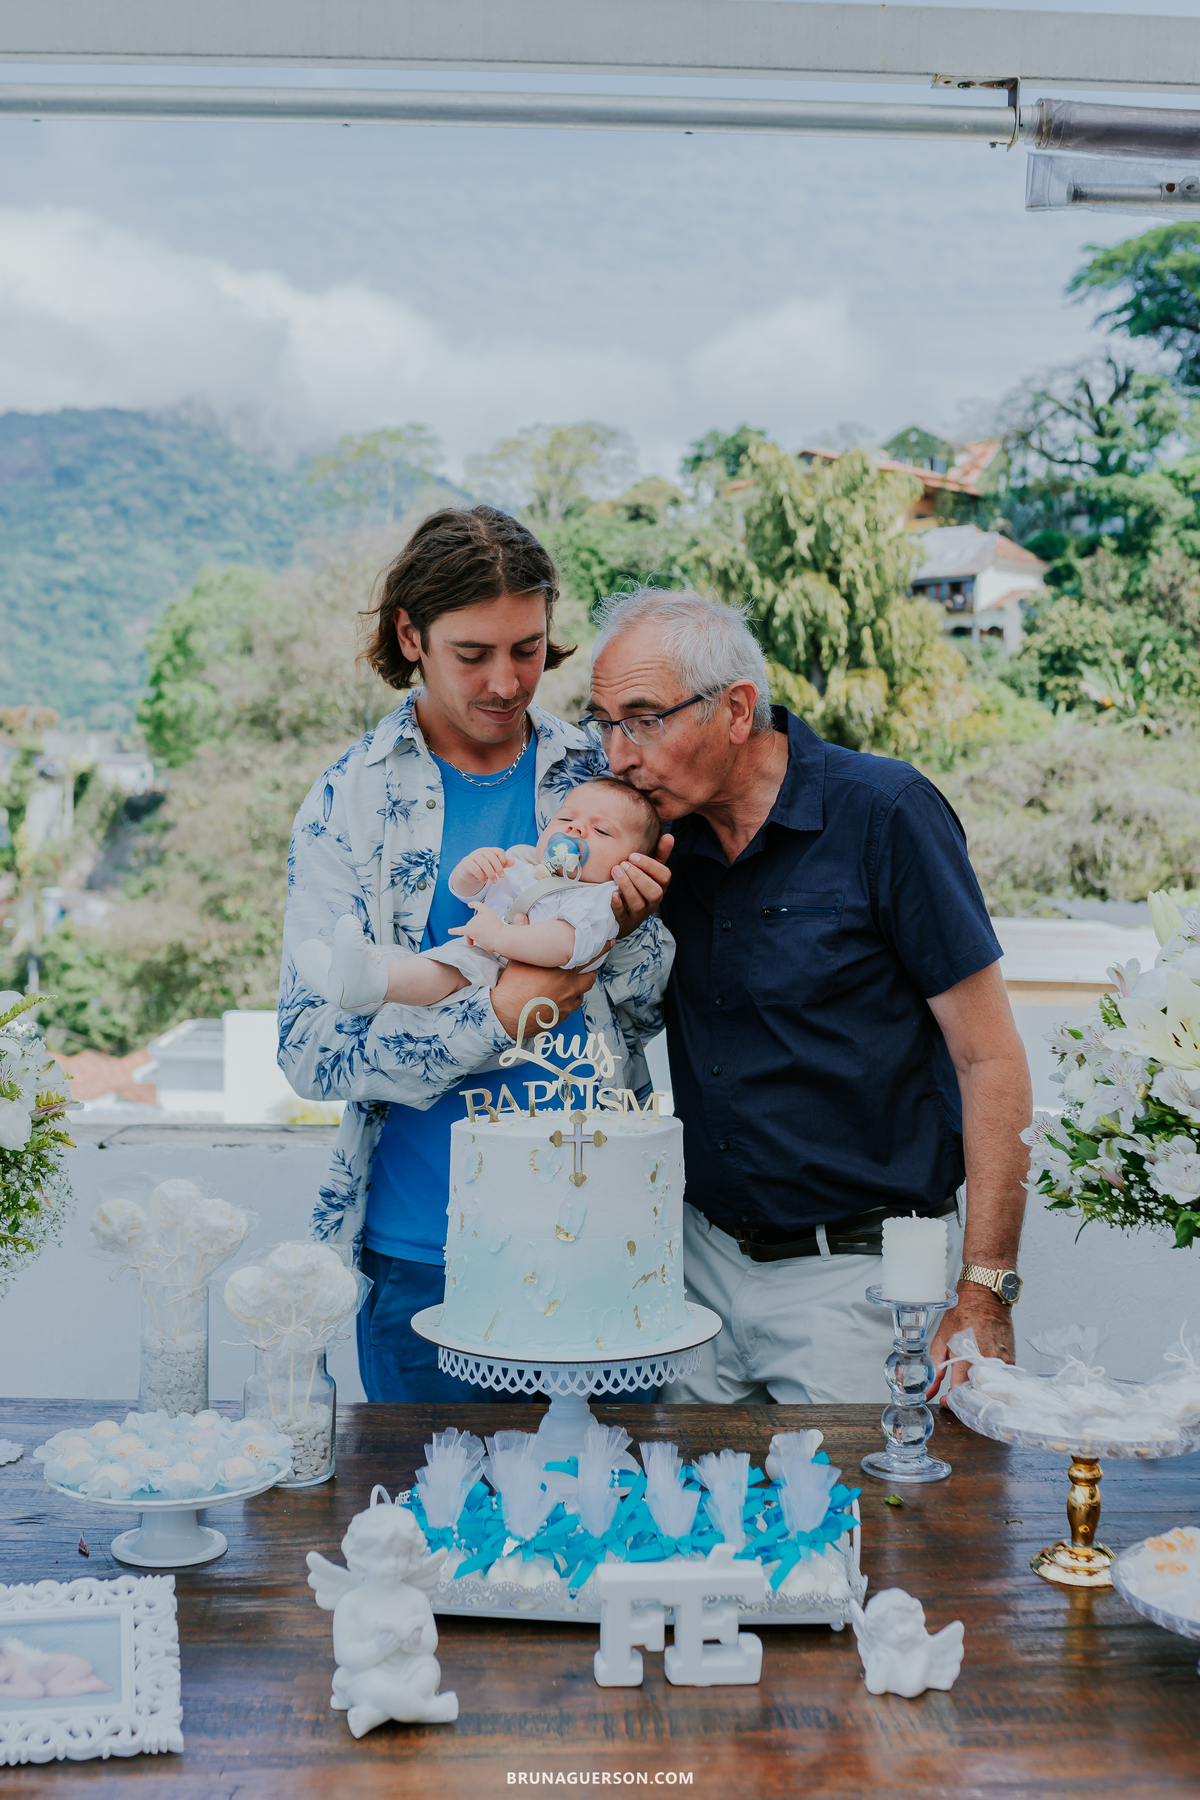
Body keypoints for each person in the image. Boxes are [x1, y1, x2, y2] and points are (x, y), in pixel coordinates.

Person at [582, 587, 1032, 1404]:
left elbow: (988, 1055)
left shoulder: (885, 814)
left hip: (859, 1283)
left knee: (860, 1531)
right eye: (603, 721)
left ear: (736, 710)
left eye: (644, 719)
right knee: (680, 1526)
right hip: (693, 1271)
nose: (617, 754)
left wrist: (985, 1288)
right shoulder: (653, 841)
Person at [278, 508, 673, 1403]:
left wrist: (639, 935)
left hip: (604, 1236)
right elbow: (309, 1053)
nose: (507, 682)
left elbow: (646, 1016)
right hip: (423, 1259)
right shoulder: (349, 802)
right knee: (430, 1537)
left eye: (528, 649)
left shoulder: (604, 776)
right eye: (473, 654)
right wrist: (494, 1016)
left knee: (616, 1534)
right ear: (410, 635)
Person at [297, 776, 662, 1010]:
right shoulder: (526, 866)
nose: (577, 831)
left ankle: (371, 983)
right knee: (427, 962)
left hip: (500, 967)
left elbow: (565, 943)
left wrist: (502, 936)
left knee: (446, 970)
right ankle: (359, 976)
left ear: (631, 862)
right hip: (486, 954)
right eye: (567, 820)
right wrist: (473, 870)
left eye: (601, 832)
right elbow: (467, 893)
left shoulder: (598, 901)